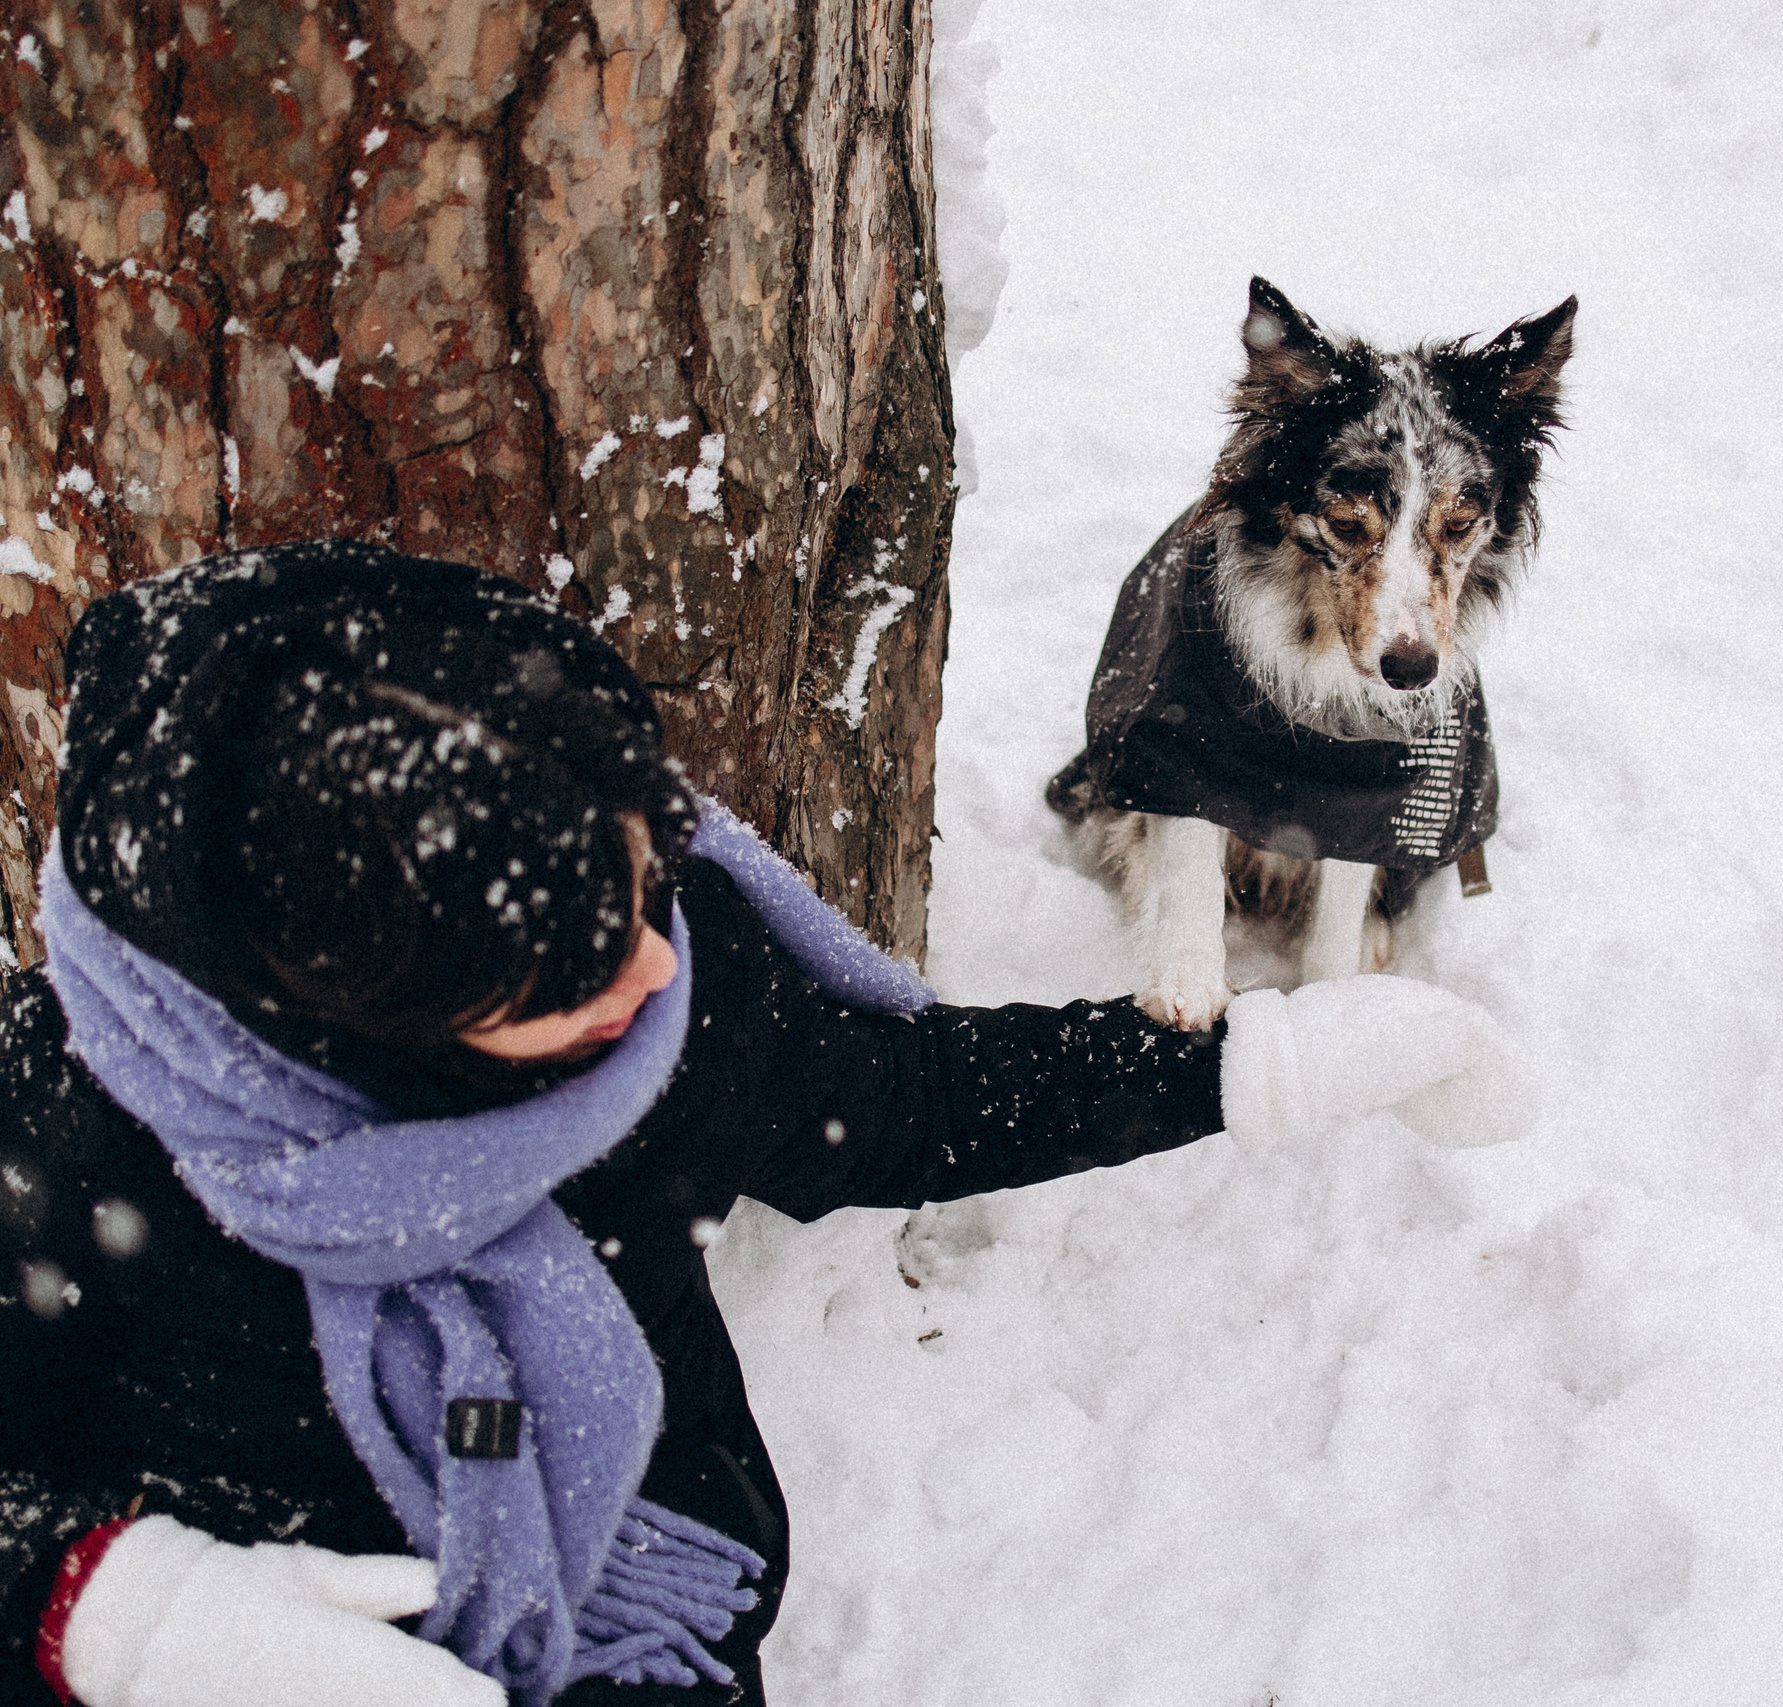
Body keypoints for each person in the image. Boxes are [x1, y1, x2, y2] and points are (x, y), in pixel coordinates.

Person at [0, 542, 1529, 1707]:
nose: (660, 966)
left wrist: (1256, 1064)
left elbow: (911, 1104)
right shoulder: (71, 1132)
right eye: (571, 979)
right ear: (363, 1029)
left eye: (644, 872)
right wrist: (126, 1611)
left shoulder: (669, 975)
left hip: (640, 1588)